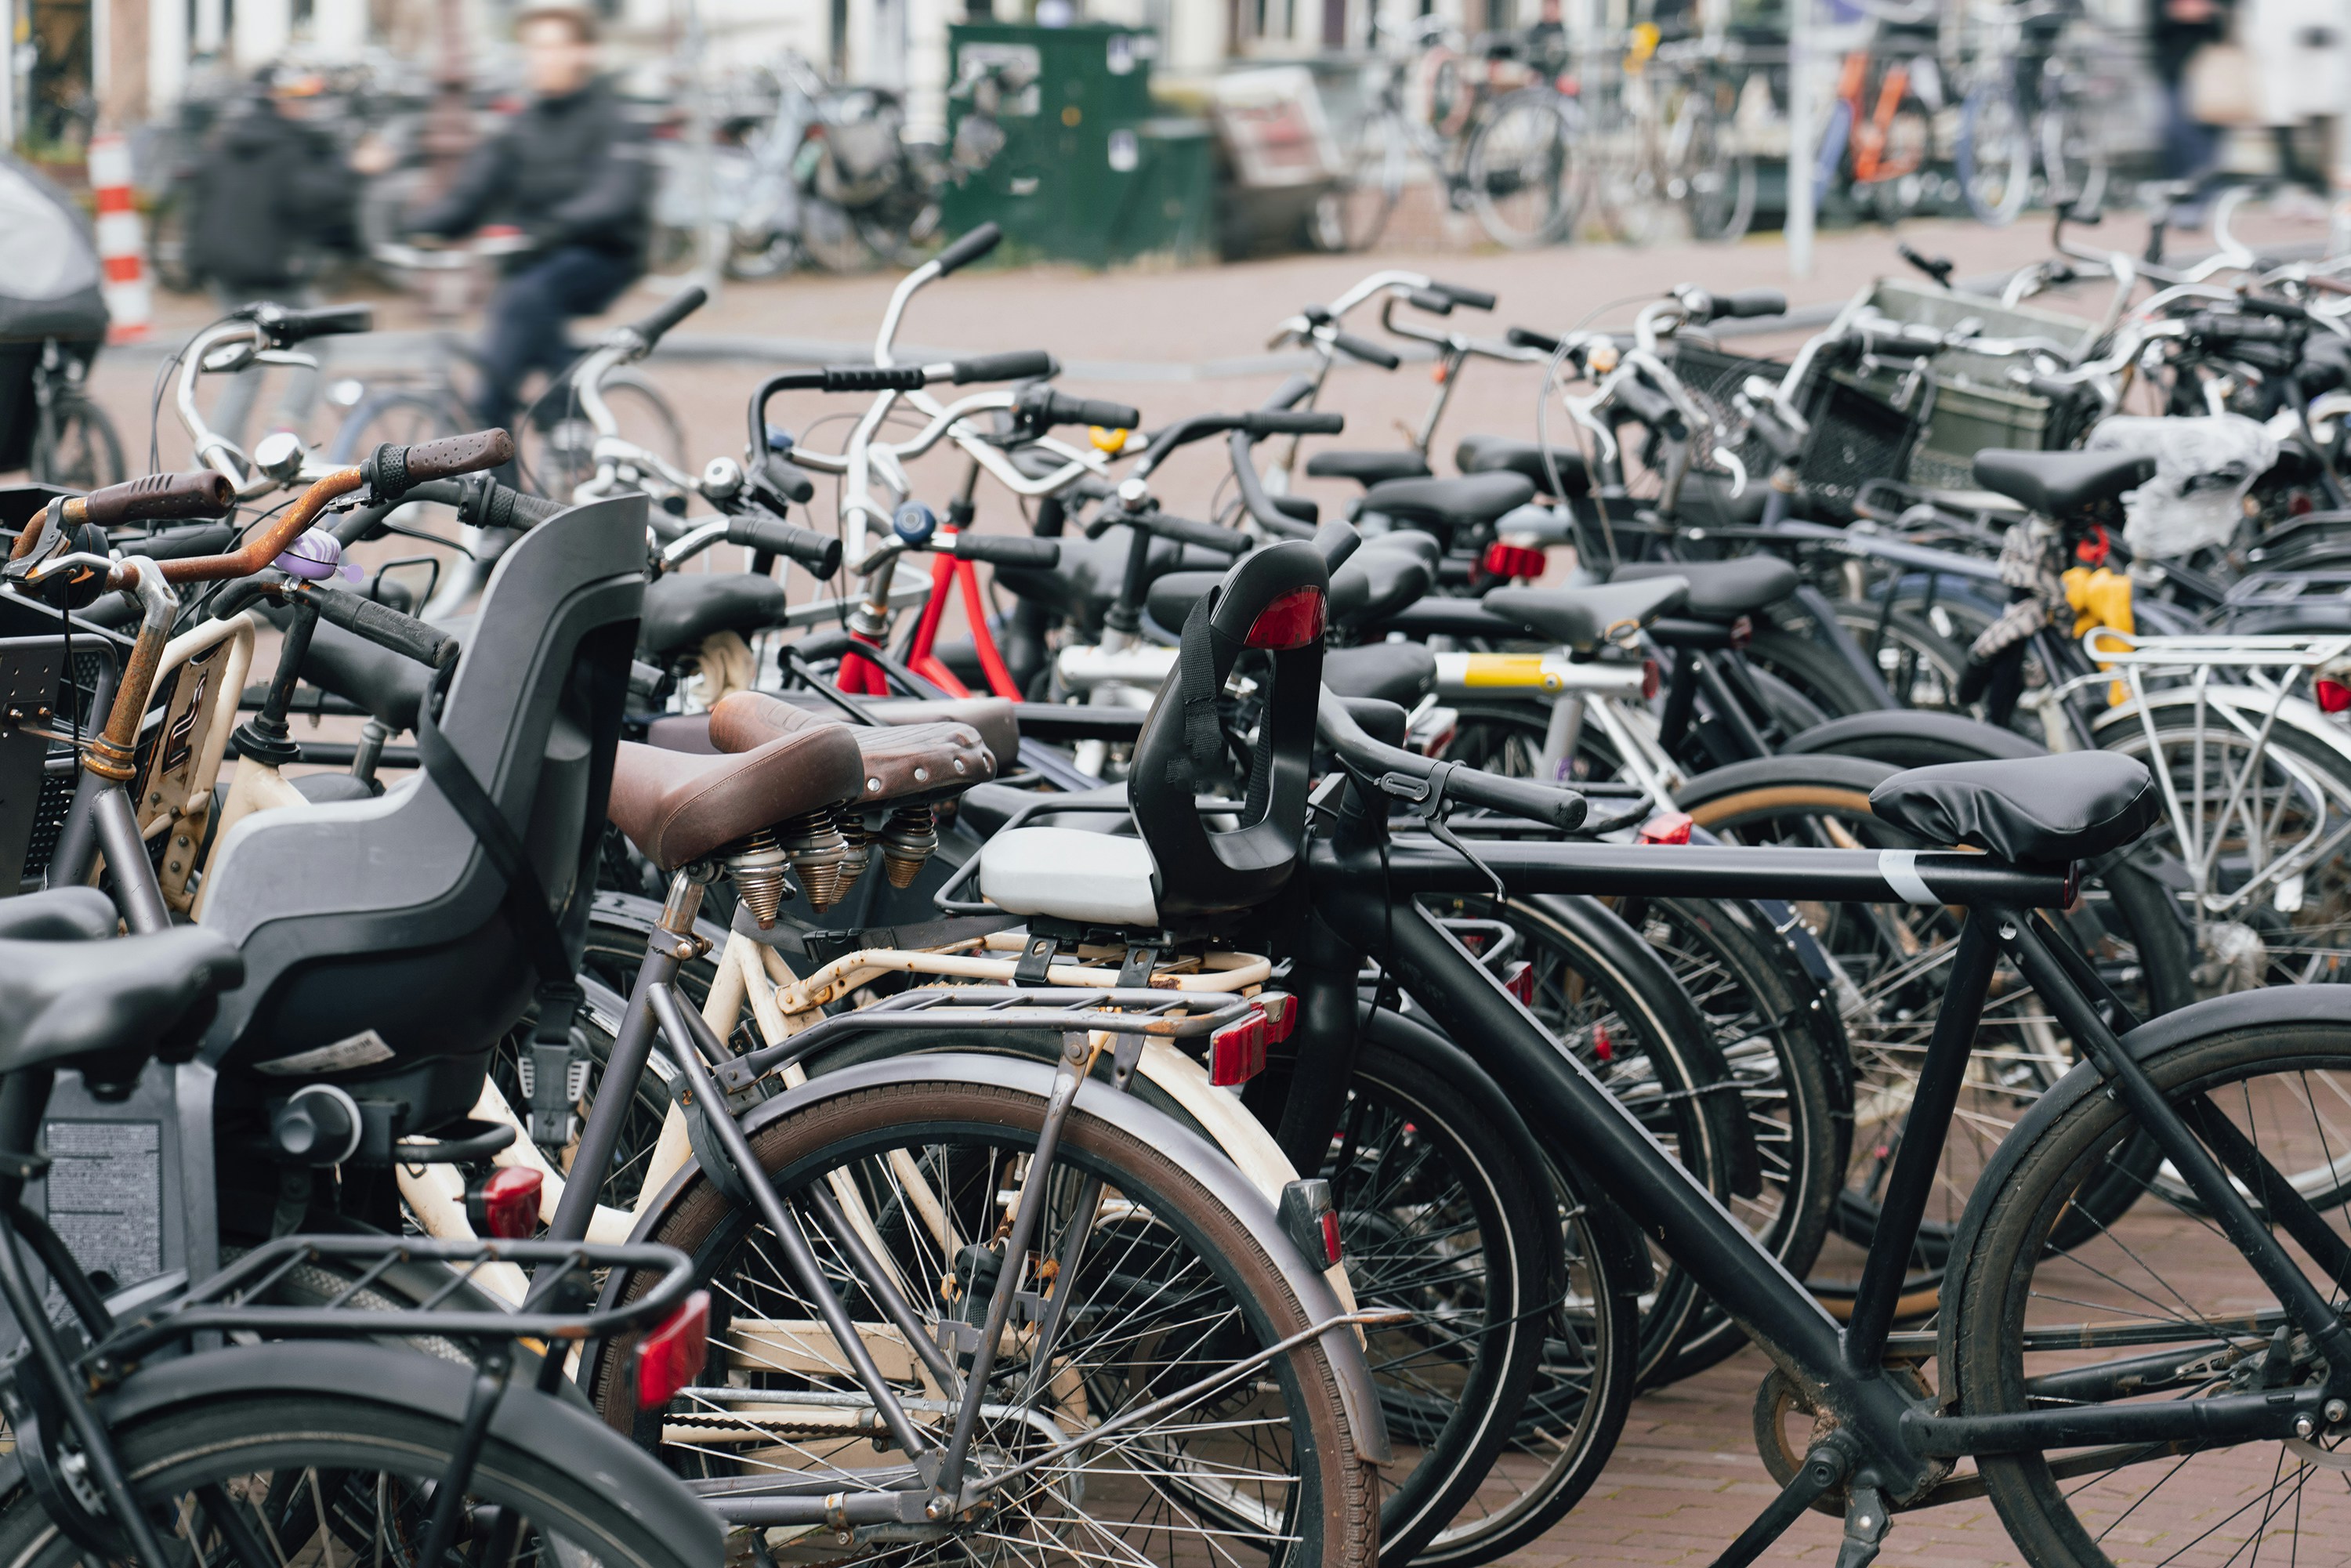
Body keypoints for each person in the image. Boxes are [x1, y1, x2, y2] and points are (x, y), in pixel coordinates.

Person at [406, 3, 651, 437]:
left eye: (555, 47)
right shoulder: (521, 126)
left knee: (522, 303)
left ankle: (555, 395)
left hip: (602, 254)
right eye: (535, 48)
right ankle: (524, 467)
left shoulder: (613, 120)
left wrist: (553, 227)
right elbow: (473, 191)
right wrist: (419, 225)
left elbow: (615, 195)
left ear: (585, 53)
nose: (543, 59)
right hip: (533, 258)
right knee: (502, 376)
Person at [187, 65, 350, 448]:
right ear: (277, 99)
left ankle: (215, 460)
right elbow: (312, 200)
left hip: (225, 270)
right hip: (267, 270)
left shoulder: (229, 135)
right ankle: (286, 428)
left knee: (248, 365)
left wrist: (196, 264)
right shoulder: (288, 144)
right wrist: (348, 167)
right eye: (299, 100)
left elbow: (201, 196)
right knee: (320, 338)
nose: (306, 108)